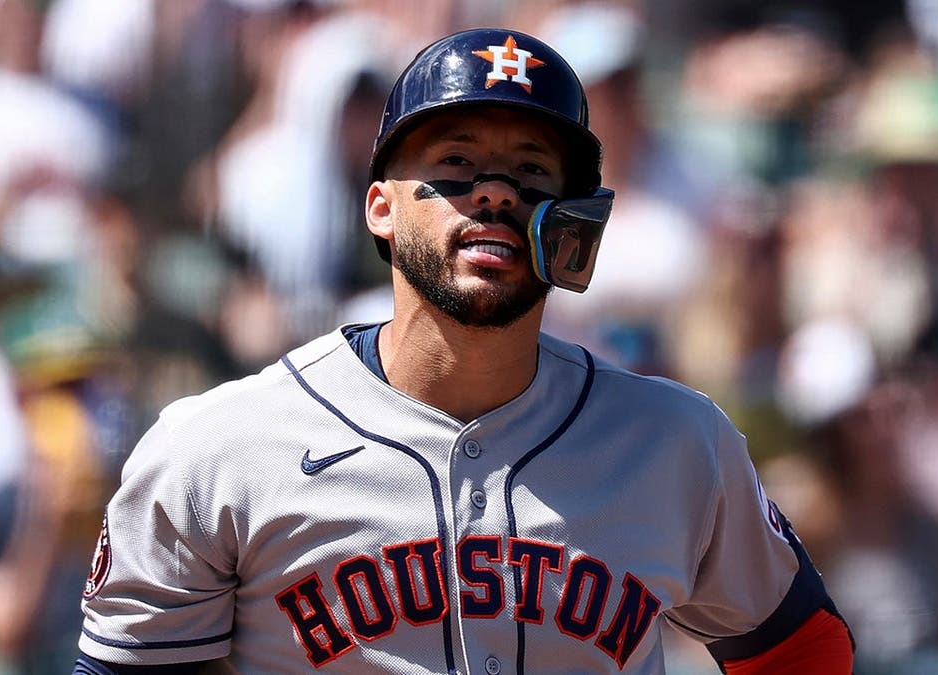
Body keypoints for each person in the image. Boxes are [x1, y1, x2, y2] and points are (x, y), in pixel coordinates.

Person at [73, 28, 854, 674]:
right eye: (454, 165)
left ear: (576, 218)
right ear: (381, 207)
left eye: (532, 172)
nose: (496, 193)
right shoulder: (219, 450)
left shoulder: (678, 442)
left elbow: (807, 652)